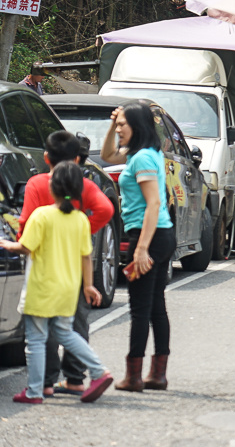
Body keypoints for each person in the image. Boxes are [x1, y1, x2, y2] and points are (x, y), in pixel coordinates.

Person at [0, 163, 113, 404]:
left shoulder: (41, 216)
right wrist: (88, 286)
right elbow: (86, 255)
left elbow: (26, 247)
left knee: (36, 340)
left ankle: (34, 391)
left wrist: (7, 244)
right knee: (66, 334)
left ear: (53, 187)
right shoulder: (81, 220)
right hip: (68, 290)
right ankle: (99, 371)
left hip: (41, 289)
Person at [101, 102, 175, 393]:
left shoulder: (143, 158)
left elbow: (153, 204)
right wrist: (111, 125)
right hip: (159, 235)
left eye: (123, 125)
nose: (119, 130)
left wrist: (141, 249)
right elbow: (107, 155)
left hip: (150, 237)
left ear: (138, 127)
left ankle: (134, 376)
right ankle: (157, 375)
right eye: (118, 125)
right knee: (155, 306)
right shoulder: (144, 153)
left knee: (140, 308)